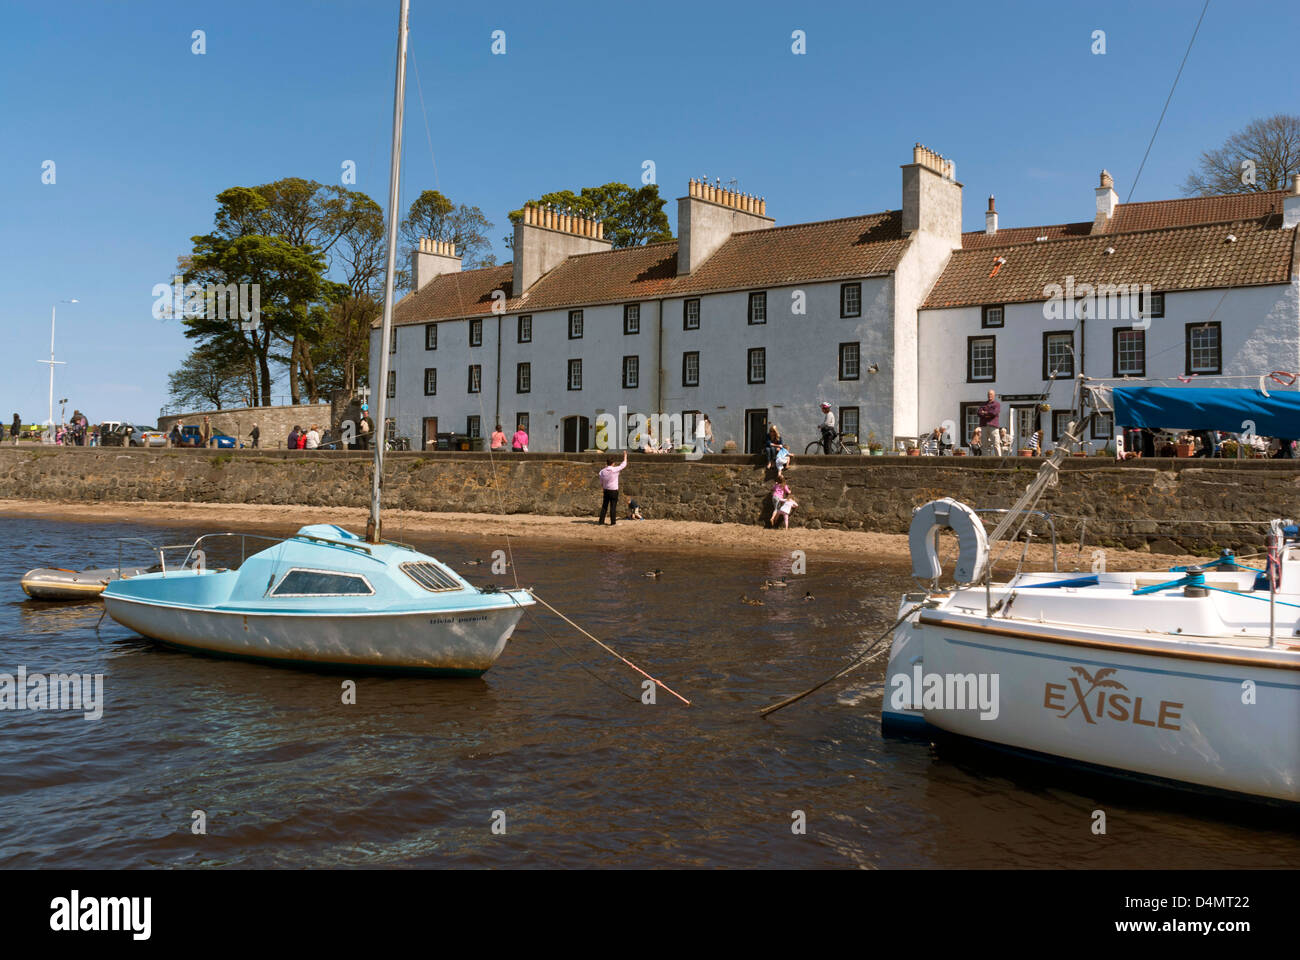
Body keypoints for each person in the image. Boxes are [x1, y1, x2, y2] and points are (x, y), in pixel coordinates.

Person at [598, 450, 628, 525]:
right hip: (614, 490)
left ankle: (601, 521)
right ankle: (613, 522)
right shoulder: (615, 469)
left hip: (606, 490)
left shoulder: (602, 471)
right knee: (613, 506)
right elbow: (623, 464)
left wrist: (603, 488)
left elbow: (601, 482)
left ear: (607, 463)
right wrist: (625, 456)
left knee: (604, 506)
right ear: (613, 463)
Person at [978, 390, 1001, 455]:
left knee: (996, 444)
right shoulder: (983, 404)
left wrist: (985, 412)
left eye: (991, 394)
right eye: (988, 394)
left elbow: (994, 413)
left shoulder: (997, 404)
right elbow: (979, 413)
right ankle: (985, 460)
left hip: (993, 426)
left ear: (994, 395)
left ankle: (999, 459)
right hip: (984, 426)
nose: (989, 396)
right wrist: (988, 413)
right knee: (984, 444)